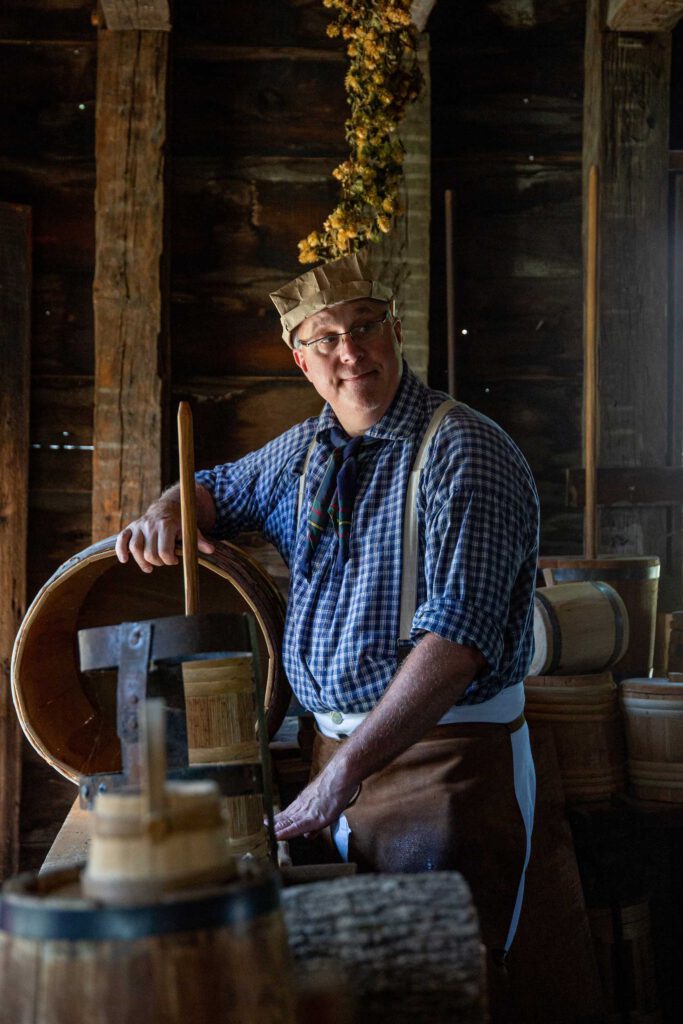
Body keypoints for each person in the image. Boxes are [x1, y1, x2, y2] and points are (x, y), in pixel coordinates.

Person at [116, 251, 539, 994]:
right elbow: (211, 488)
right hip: (336, 762)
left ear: (393, 329)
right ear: (300, 360)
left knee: (443, 985)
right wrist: (164, 512)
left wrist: (346, 769)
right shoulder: (306, 452)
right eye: (326, 338)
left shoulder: (461, 450)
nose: (351, 352)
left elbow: (457, 641)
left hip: (445, 764)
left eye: (365, 326)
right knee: (356, 992)